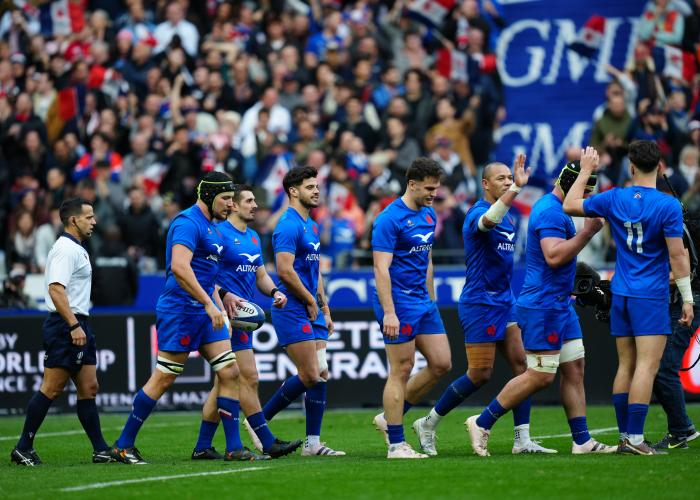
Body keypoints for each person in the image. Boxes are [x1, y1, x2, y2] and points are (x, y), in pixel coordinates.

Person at [463, 150, 613, 457]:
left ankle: (582, 441)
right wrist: (587, 232)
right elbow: (554, 255)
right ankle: (482, 421)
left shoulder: (558, 209)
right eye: (584, 191)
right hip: (543, 305)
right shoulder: (549, 212)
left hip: (561, 303)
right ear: (572, 186)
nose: (587, 199)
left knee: (575, 368)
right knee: (541, 375)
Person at [111, 172, 268, 464]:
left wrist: (224, 295)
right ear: (208, 196)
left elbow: (208, 275)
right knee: (164, 378)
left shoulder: (212, 227)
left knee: (230, 373)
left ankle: (233, 447)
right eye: (225, 199)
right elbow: (181, 268)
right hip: (181, 310)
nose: (230, 206)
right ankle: (123, 444)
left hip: (207, 310)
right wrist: (210, 303)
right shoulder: (186, 223)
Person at [411, 155, 557, 456]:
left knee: (523, 366)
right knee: (480, 374)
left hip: (506, 301)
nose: (506, 181)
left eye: (509, 177)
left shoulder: (512, 218)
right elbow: (487, 222)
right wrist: (516, 186)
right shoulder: (477, 214)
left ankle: (522, 439)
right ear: (485, 184)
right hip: (480, 302)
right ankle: (428, 422)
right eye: (501, 178)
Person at [562, 142, 693, 455]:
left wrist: (586, 170)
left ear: (631, 167)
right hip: (650, 295)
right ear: (660, 167)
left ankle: (625, 437)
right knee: (647, 367)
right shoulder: (668, 205)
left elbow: (570, 204)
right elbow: (678, 255)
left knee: (626, 365)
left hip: (620, 290)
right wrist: (687, 299)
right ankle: (635, 439)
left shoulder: (614, 197)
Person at [192, 185, 302, 459]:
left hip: (242, 320)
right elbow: (206, 275)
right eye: (250, 201)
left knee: (226, 382)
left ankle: (203, 446)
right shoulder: (218, 235)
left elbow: (260, 275)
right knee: (245, 377)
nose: (256, 206)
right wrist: (222, 300)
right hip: (223, 318)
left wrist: (275, 291)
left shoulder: (253, 237)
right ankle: (264, 440)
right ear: (234, 206)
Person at [11, 198, 112, 466]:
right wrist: (73, 325)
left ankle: (100, 449)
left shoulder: (77, 248)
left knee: (89, 388)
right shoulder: (65, 249)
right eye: (89, 217)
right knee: (52, 388)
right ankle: (23, 447)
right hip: (66, 324)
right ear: (73, 220)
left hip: (80, 321)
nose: (94, 221)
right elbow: (56, 289)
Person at [371, 157, 453, 459]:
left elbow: (427, 259)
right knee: (401, 369)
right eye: (429, 188)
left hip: (422, 301)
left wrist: (431, 297)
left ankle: (389, 415)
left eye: (436, 188)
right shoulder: (388, 219)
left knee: (442, 363)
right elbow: (381, 269)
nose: (433, 194)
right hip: (399, 301)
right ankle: (396, 444)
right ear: (412, 184)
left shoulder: (429, 215)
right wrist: (389, 311)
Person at [261, 166, 345, 457]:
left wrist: (323, 306)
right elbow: (284, 270)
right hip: (292, 308)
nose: (317, 191)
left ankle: (312, 443)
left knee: (320, 374)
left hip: (311, 307)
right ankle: (259, 424)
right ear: (293, 191)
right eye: (310, 187)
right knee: (310, 374)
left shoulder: (311, 225)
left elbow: (314, 270)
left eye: (317, 186)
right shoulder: (287, 225)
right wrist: (310, 300)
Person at [651, 213, 700, 449]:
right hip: (680, 301)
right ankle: (680, 430)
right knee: (660, 368)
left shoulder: (674, 228)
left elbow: (685, 270)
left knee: (663, 368)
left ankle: (682, 431)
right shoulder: (677, 225)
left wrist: (644, 277)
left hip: (686, 302)